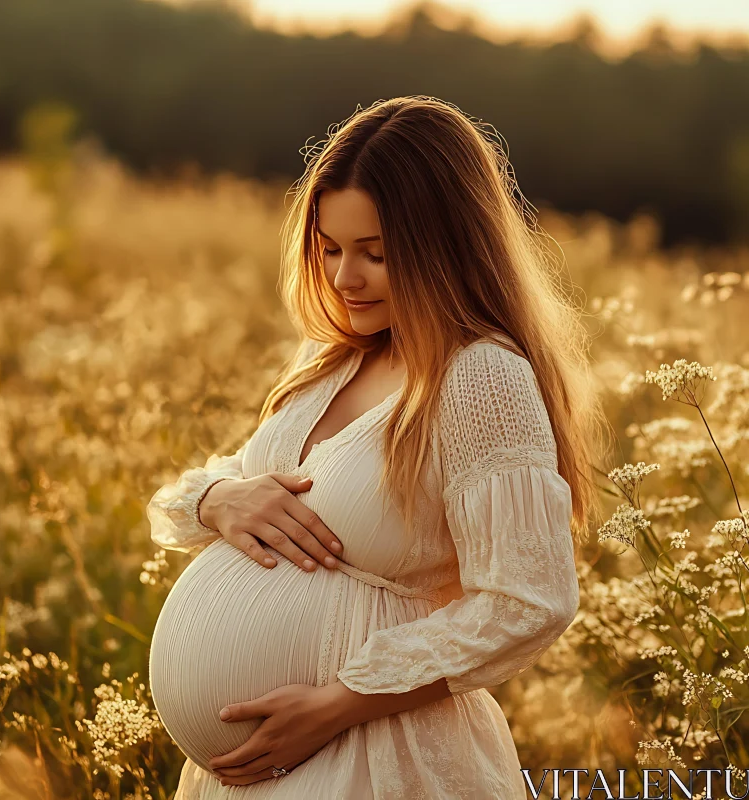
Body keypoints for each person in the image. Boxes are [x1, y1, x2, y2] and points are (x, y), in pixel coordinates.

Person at [146, 95, 608, 799]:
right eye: (329, 248)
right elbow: (227, 487)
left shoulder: (481, 376)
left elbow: (527, 598)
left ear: (446, 247)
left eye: (376, 254)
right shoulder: (333, 360)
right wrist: (218, 499)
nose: (342, 278)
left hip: (373, 760)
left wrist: (340, 702)